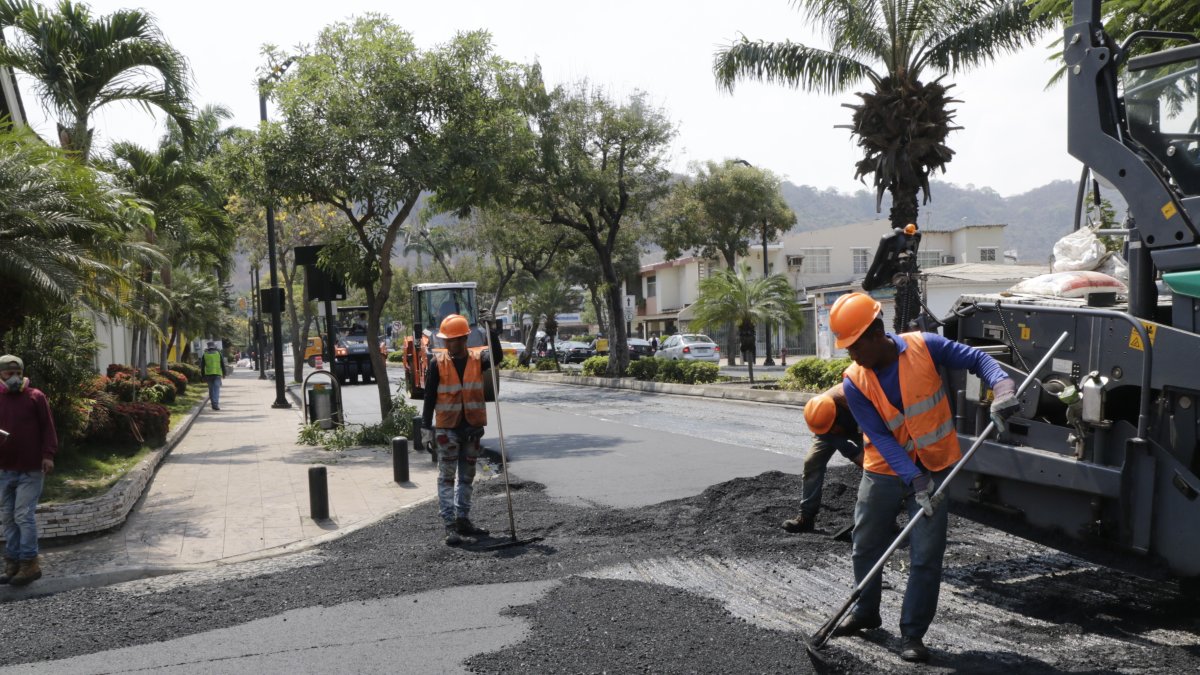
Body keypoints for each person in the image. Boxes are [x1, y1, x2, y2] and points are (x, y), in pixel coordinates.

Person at [828, 292, 1019, 663]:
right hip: (884, 470)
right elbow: (881, 437)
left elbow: (979, 359)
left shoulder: (925, 347)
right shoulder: (854, 381)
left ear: (876, 332)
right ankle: (865, 612)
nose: (851, 354)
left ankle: (912, 635)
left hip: (935, 466)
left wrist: (1003, 387)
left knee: (926, 556)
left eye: (854, 345)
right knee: (866, 543)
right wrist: (913, 479)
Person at [420, 314, 503, 546]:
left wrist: (492, 331)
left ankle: (463, 519)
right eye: (446, 340)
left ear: (464, 338)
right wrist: (426, 429)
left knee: (467, 477)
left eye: (452, 340)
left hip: (472, 430)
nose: (447, 344)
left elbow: (497, 356)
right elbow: (428, 397)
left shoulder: (479, 359)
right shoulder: (438, 363)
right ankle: (450, 526)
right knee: (446, 478)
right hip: (447, 430)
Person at [0, 355, 57, 586]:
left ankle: (30, 563)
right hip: (4, 469)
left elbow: (48, 427)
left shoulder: (36, 396)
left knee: (23, 515)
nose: (13, 378)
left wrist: (48, 455)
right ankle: (12, 563)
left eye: (17, 373)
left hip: (31, 468)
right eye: (8, 374)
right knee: (7, 517)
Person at [782, 384, 864, 533]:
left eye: (833, 427)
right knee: (812, 462)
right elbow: (848, 450)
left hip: (863, 423)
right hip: (834, 425)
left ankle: (884, 519)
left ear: (837, 414)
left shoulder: (856, 399)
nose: (833, 431)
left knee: (878, 469)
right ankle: (806, 518)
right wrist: (851, 451)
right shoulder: (819, 413)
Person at [200, 341, 225, 411]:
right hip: (217, 374)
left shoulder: (205, 355)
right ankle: (215, 404)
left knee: (211, 390)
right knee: (216, 390)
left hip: (208, 375)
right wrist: (224, 373)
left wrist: (202, 376)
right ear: (214, 347)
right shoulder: (218, 353)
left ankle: (213, 404)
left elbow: (202, 366)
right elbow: (222, 364)